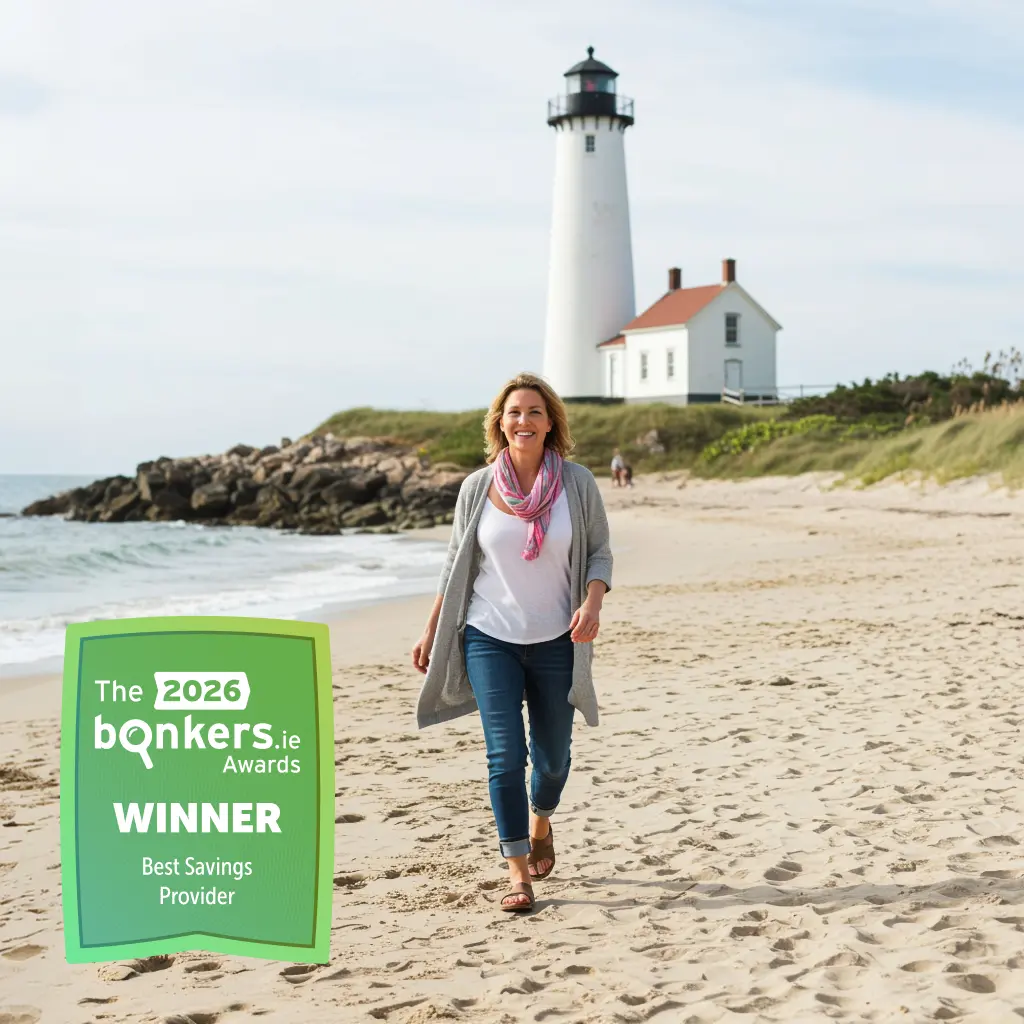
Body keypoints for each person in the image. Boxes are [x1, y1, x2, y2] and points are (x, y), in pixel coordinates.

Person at [412, 372, 613, 913]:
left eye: (534, 412)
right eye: (514, 412)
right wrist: (432, 628)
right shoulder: (478, 487)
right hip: (489, 637)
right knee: (504, 756)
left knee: (553, 761)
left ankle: (541, 820)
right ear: (500, 424)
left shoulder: (577, 484)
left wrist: (593, 602)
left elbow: (599, 552)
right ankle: (517, 873)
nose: (524, 421)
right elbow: (455, 563)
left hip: (557, 639)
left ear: (550, 424)